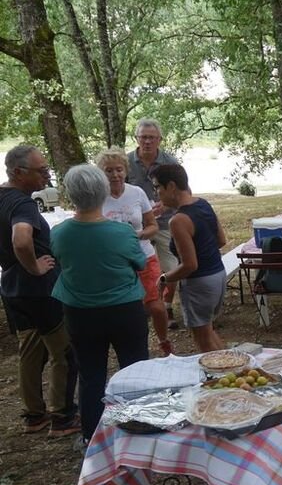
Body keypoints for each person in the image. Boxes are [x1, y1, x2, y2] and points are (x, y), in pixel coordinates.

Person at [50, 165, 149, 444]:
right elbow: (140, 263)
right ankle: (140, 427)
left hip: (80, 314)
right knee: (135, 369)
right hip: (125, 311)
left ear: (71, 195)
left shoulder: (59, 233)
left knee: (90, 374)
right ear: (104, 191)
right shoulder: (122, 232)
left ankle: (91, 436)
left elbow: (60, 261)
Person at [0, 145, 79, 437]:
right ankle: (63, 417)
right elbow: (21, 240)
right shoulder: (22, 204)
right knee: (64, 352)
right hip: (38, 290)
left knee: (31, 351)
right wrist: (34, 267)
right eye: (41, 170)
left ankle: (34, 416)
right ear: (18, 173)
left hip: (13, 289)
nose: (47, 175)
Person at [98, 148, 172, 356]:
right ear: (101, 173)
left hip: (144, 256)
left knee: (156, 307)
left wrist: (138, 235)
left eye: (119, 169)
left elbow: (153, 226)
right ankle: (133, 348)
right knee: (131, 309)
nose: (115, 175)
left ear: (126, 170)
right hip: (115, 263)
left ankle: (164, 342)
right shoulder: (97, 197)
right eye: (108, 170)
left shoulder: (137, 193)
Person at [149, 164, 227, 353]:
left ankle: (222, 371)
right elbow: (221, 240)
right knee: (208, 332)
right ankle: (233, 366)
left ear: (171, 186)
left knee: (203, 342)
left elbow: (190, 265)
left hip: (199, 283)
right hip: (218, 275)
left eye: (157, 187)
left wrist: (164, 278)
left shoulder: (178, 221)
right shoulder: (203, 204)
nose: (157, 193)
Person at [127, 118, 181, 328]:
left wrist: (165, 205)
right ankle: (144, 305)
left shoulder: (170, 162)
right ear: (136, 138)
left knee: (171, 268)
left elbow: (182, 192)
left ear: (160, 139)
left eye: (152, 137)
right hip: (136, 226)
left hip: (166, 222)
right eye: (143, 137)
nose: (147, 141)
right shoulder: (126, 163)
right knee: (137, 267)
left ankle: (166, 305)